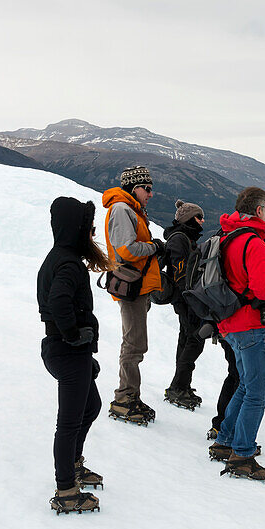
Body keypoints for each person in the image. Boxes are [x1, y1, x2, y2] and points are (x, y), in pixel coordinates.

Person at [208, 187, 265, 481]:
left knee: (244, 385)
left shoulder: (227, 236)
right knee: (258, 392)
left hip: (230, 324)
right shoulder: (253, 242)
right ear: (259, 211)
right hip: (252, 325)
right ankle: (242, 454)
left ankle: (225, 440)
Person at [37, 197, 109, 514]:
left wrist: (80, 347)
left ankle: (74, 465)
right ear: (76, 229)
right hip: (66, 351)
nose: (92, 232)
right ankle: (66, 489)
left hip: (68, 352)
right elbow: (59, 302)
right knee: (67, 424)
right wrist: (73, 336)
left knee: (91, 406)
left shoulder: (62, 257)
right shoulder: (67, 263)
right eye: (88, 227)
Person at [102, 165, 164, 425]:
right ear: (133, 187)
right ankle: (124, 398)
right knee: (134, 343)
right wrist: (154, 247)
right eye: (146, 189)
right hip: (130, 286)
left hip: (137, 285)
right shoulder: (121, 209)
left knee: (136, 342)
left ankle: (130, 395)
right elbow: (126, 250)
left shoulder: (131, 209)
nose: (150, 194)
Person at [163, 199, 206, 410]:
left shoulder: (184, 237)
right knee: (194, 340)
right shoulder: (180, 239)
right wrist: (191, 296)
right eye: (199, 217)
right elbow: (181, 273)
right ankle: (178, 386)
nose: (202, 221)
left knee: (187, 339)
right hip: (186, 298)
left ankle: (181, 384)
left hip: (186, 298)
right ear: (190, 219)